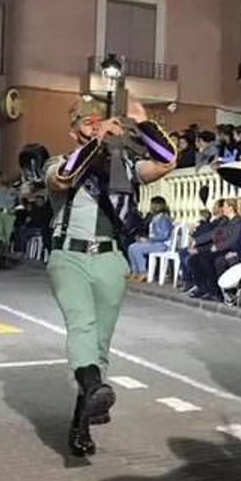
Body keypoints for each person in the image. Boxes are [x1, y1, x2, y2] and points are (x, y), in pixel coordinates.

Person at [44, 96, 176, 457]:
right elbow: (63, 178)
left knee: (100, 343)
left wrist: (144, 124)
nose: (96, 126)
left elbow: (166, 162)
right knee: (82, 326)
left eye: (99, 121)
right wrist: (100, 142)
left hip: (110, 259)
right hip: (69, 255)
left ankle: (82, 421)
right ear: (74, 132)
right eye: (87, 124)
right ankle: (92, 391)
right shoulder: (59, 162)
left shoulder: (124, 167)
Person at [126, 196, 174, 280]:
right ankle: (135, 271)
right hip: (155, 243)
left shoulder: (164, 218)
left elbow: (164, 236)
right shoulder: (155, 217)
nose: (150, 206)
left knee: (137, 249)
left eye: (152, 204)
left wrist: (149, 239)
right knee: (131, 247)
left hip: (162, 244)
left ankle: (143, 272)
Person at [0, 170, 18, 267]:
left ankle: (4, 255)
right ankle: (1, 257)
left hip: (9, 214)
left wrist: (14, 209)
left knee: (7, 236)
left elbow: (17, 202)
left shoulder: (12, 190)